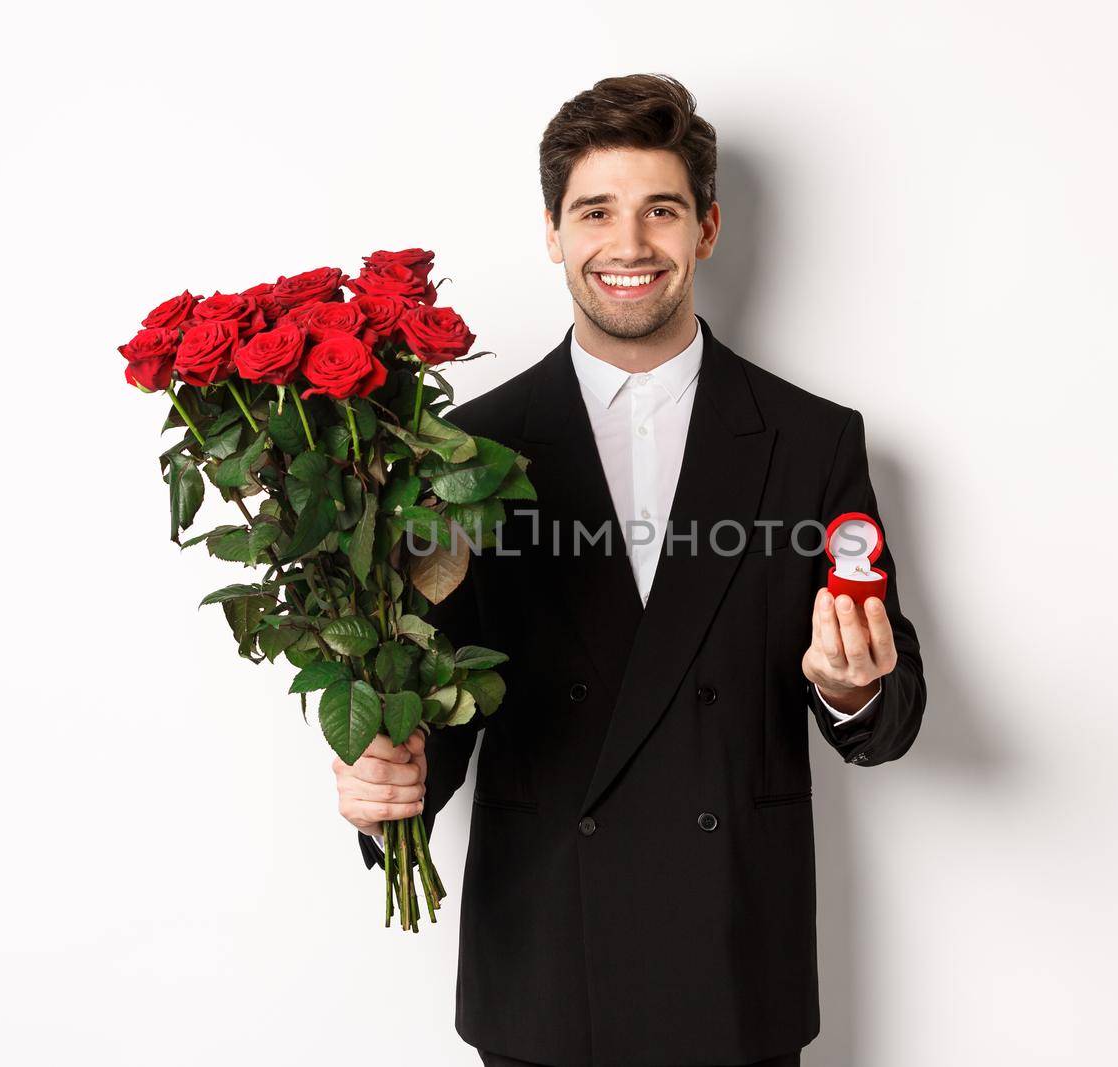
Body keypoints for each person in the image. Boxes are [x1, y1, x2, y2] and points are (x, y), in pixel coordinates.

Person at [332, 73, 927, 1067]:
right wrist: (385, 779)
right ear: (553, 233)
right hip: (545, 967)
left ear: (706, 228)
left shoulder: (813, 440)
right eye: (594, 211)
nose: (628, 243)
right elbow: (432, 692)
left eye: (660, 209)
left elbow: (889, 708)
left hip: (734, 959)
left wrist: (850, 683)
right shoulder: (461, 451)